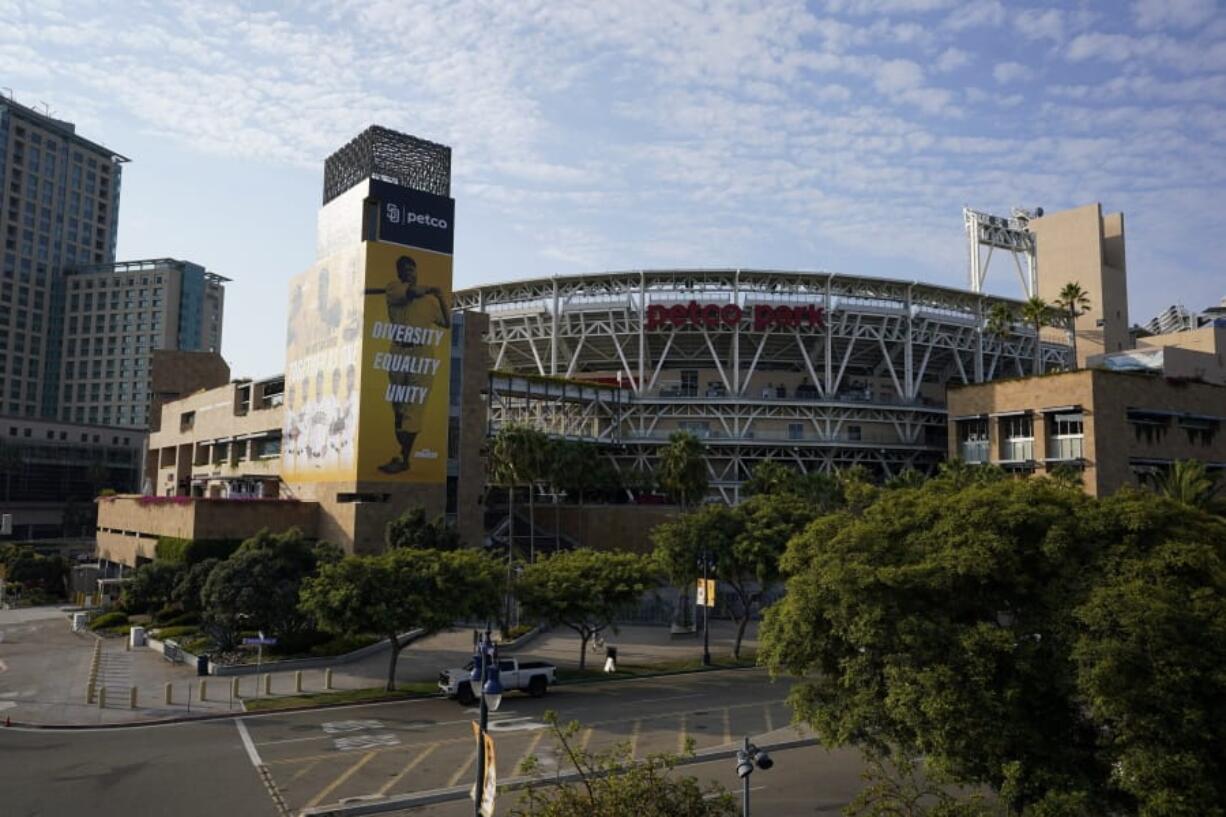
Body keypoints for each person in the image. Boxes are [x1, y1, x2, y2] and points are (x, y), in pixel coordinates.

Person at [364, 254, 450, 474]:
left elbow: (447, 324)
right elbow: (412, 292)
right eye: (405, 270)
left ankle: (404, 458)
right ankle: (402, 451)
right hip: (398, 351)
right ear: (399, 273)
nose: (410, 273)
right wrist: (429, 288)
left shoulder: (430, 302)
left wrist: (440, 297)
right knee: (398, 407)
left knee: (414, 408)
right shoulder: (394, 289)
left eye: (412, 269)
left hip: (422, 353)